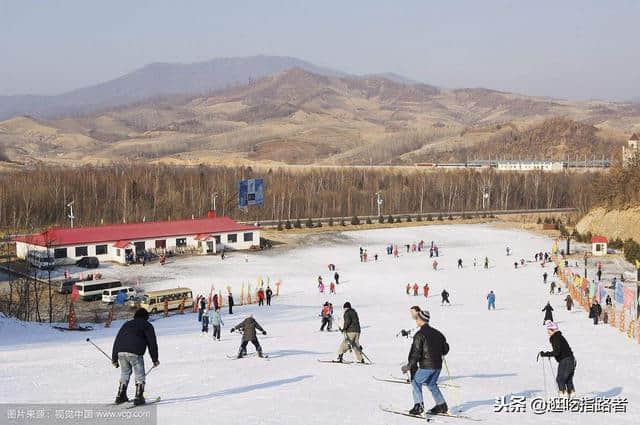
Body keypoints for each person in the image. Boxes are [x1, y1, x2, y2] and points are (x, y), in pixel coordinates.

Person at [401, 310, 449, 415]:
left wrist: (408, 366)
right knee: (431, 384)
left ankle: (418, 406)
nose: (416, 320)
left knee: (416, 382)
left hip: (427, 366)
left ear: (421, 319)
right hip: (437, 366)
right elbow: (445, 350)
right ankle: (441, 405)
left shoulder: (419, 334)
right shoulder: (438, 333)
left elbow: (415, 353)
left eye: (417, 318)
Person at [112, 308, 159, 405]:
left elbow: (117, 340)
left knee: (125, 373)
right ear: (146, 317)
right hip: (135, 352)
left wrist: (114, 358)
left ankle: (120, 396)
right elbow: (152, 343)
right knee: (139, 374)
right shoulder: (147, 325)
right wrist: (155, 359)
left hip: (121, 351)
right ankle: (139, 397)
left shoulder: (126, 324)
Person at [539, 322, 576, 398]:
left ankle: (564, 398)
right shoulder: (559, 336)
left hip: (565, 360)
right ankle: (572, 399)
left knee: (560, 379)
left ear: (553, 330)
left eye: (548, 330)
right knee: (568, 380)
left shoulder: (555, 338)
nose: (548, 332)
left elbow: (556, 352)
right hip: (571, 359)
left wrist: (546, 354)